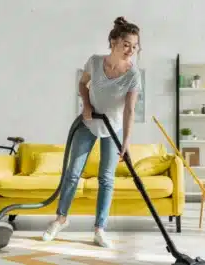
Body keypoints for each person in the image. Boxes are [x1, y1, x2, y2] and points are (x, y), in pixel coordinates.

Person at [42, 16, 142, 248]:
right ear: (114, 42)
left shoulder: (133, 75)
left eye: (135, 46)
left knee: (106, 179)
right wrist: (86, 105)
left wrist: (126, 141)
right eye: (126, 44)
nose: (131, 50)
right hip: (88, 124)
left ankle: (99, 229)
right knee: (73, 173)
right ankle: (60, 219)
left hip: (113, 129)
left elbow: (129, 109)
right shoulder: (95, 62)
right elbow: (82, 84)